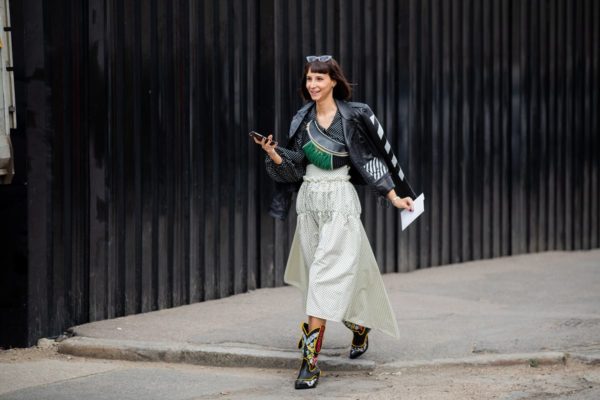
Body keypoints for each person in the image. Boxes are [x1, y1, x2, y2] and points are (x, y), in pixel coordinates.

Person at [253, 55, 414, 390]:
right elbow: (296, 166)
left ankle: (310, 363)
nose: (313, 84)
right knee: (321, 276)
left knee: (325, 275)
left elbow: (370, 159)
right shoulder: (302, 118)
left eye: (320, 79)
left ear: (334, 82)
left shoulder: (353, 115)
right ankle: (358, 326)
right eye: (310, 79)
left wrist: (394, 196)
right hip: (309, 203)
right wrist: (274, 153)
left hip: (340, 201)